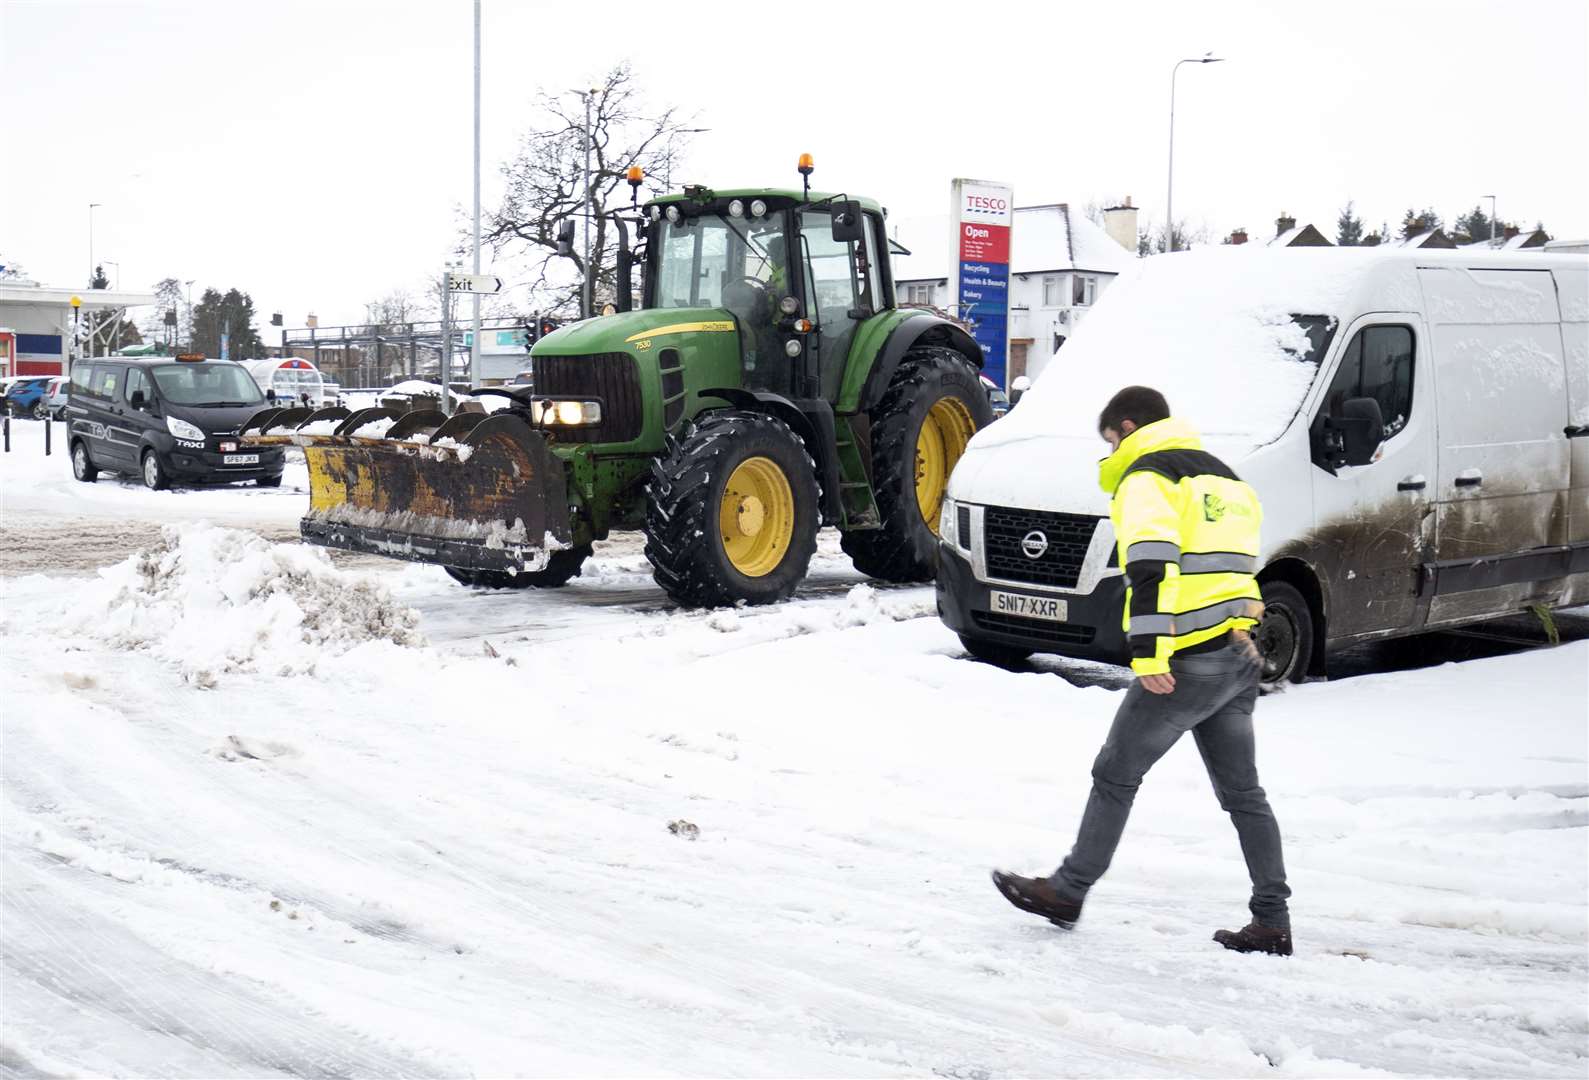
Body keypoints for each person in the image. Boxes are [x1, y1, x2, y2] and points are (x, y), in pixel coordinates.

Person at [991, 385, 1293, 956]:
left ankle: (1068, 890)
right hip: (1235, 656)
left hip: (1186, 658)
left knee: (1115, 775)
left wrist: (1150, 654)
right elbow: (1240, 567)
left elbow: (1152, 566)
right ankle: (1271, 922)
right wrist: (1245, 628)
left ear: (1127, 427)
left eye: (1109, 440)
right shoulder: (1228, 481)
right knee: (1244, 794)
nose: (1107, 453)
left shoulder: (1147, 478)